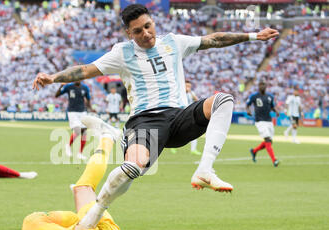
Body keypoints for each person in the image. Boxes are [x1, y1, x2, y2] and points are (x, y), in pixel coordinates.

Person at [33, 4, 279, 218]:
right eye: (138, 31)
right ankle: (95, 212)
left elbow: (214, 40)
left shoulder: (173, 42)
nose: (146, 33)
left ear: (153, 22)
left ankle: (205, 170)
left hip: (178, 117)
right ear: (129, 33)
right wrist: (53, 78)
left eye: (148, 26)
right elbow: (85, 71)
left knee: (223, 100)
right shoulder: (122, 52)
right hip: (145, 121)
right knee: (132, 170)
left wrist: (254, 36)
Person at [246, 80, 280, 167]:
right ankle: (274, 160)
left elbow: (272, 106)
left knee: (269, 142)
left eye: (263, 85)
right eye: (261, 85)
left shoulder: (270, 96)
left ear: (266, 87)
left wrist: (276, 111)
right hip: (260, 121)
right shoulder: (254, 96)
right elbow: (248, 104)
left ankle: (254, 151)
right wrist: (248, 111)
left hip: (268, 120)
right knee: (268, 140)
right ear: (258, 87)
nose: (262, 87)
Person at [55, 81, 91, 160]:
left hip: (82, 111)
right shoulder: (69, 86)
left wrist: (90, 108)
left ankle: (80, 153)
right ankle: (68, 145)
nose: (77, 79)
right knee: (77, 130)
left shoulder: (85, 88)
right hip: (72, 112)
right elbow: (56, 95)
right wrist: (61, 86)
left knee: (84, 132)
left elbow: (88, 99)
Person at [170, 80, 202, 155]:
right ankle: (173, 147)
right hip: (180, 113)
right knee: (177, 131)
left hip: (190, 114)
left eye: (189, 86)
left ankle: (193, 149)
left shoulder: (192, 93)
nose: (188, 87)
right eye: (187, 86)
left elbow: (197, 101)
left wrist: (190, 92)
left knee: (194, 131)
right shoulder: (179, 92)